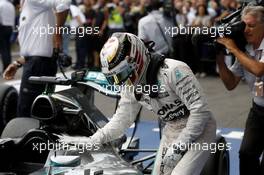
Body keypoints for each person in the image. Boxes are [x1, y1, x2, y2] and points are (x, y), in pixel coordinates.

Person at [59, 32, 216, 175]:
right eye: (114, 78)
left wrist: (179, 146)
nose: (120, 81)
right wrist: (93, 140)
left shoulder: (174, 70)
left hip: (201, 129)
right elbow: (121, 120)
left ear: (135, 60)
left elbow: (200, 112)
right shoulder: (130, 86)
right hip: (172, 128)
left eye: (120, 74)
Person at [216, 5, 264, 175]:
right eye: (244, 26)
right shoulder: (246, 49)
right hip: (259, 109)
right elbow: (231, 84)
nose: (246, 30)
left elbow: (259, 69)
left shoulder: (241, 50)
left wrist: (234, 49)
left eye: (251, 26)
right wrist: (220, 60)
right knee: (246, 154)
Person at [3, 0, 71, 118]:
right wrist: (17, 63)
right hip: (37, 63)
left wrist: (57, 33)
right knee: (39, 112)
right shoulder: (28, 5)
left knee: (26, 113)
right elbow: (35, 45)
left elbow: (63, 3)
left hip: (38, 65)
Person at [0, 0, 15, 73]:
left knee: (3, 49)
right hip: (10, 28)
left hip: (2, 27)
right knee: (8, 49)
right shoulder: (11, 5)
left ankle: (5, 68)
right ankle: (8, 67)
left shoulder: (1, 4)